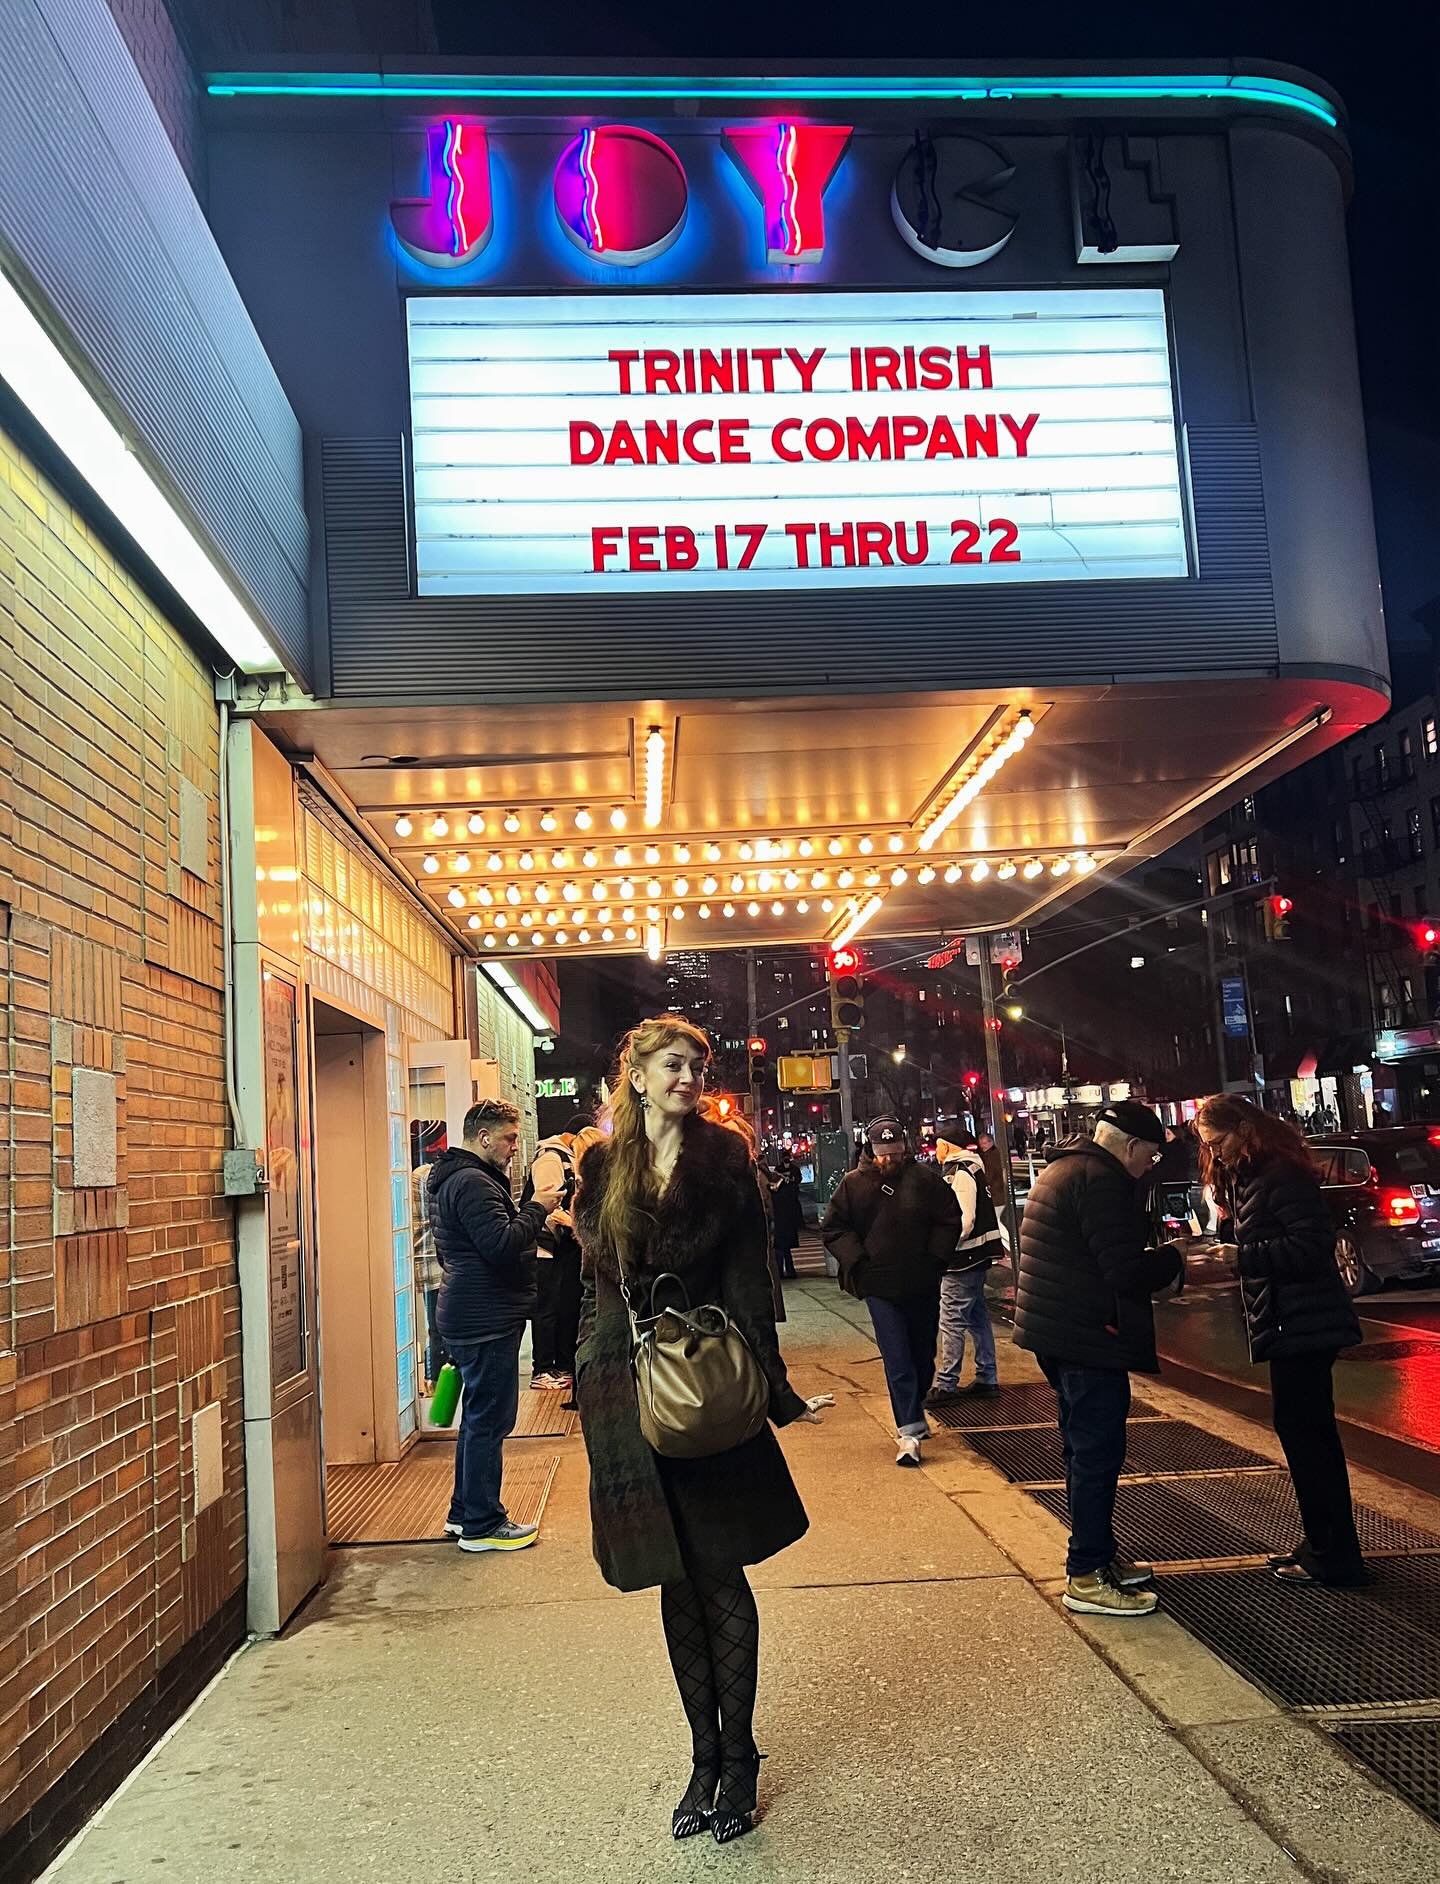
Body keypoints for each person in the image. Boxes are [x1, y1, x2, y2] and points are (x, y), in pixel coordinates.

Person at [573, 1015, 830, 1845]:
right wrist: (588, 1366)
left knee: (719, 1575)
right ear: (637, 1075)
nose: (687, 1076)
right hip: (628, 1392)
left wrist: (773, 1388)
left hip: (709, 1388)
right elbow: (596, 1291)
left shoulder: (724, 1162)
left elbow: (753, 1284)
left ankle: (740, 1761)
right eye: (672, 1064)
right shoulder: (603, 1167)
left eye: (696, 1065)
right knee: (674, 1580)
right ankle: (701, 1758)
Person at [1014, 1100, 1182, 1617]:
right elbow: (1124, 1270)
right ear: (1130, 1147)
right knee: (1096, 1454)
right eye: (1150, 1158)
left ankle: (1097, 1558)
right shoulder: (1102, 1181)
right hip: (1087, 1335)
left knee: (1083, 1451)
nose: (1150, 1167)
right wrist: (1176, 1259)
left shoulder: (1065, 1166)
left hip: (1058, 1330)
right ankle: (1086, 1574)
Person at [1195, 1095, 1368, 1586]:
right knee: (1306, 1439)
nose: (1216, 1154)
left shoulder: (1281, 1175)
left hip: (1303, 1326)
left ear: (1244, 1129)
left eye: (1219, 1142)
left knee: (1309, 1440)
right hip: (1291, 1324)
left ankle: (1332, 1555)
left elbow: (1309, 1246)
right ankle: (1323, 1545)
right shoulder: (1255, 1175)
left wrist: (1241, 1257)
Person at [429, 1099, 563, 1553]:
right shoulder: (473, 1183)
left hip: (472, 1310)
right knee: (490, 1420)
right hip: (485, 1315)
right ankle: (484, 1524)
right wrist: (539, 1208)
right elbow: (501, 1244)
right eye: (508, 1138)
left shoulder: (458, 1178)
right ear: (483, 1137)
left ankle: (465, 1513)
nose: (513, 1148)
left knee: (478, 1419)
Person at [822, 1116, 961, 1466]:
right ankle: (909, 1430)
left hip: (921, 1280)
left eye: (895, 1152)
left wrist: (935, 1260)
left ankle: (915, 1410)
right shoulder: (853, 1185)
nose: (889, 1160)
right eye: (884, 1153)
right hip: (879, 1285)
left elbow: (949, 1219)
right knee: (897, 1357)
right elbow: (835, 1228)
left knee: (921, 1353)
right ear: (871, 1149)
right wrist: (859, 1263)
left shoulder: (926, 1180)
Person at [927, 1136, 1003, 1403]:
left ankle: (947, 1383)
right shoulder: (972, 1168)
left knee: (951, 1320)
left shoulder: (959, 1172)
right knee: (977, 1318)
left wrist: (944, 1246)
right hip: (975, 1256)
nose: (935, 1151)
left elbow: (964, 1219)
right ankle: (987, 1376)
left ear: (947, 1146)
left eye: (938, 1145)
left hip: (962, 1259)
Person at [524, 1113, 591, 1393]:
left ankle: (555, 1366)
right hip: (544, 1247)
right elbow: (546, 1201)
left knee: (557, 1306)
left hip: (555, 1247)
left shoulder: (560, 1156)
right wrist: (567, 1220)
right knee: (546, 1308)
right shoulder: (551, 1158)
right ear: (574, 1138)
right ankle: (542, 1369)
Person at [769, 1156, 804, 1280]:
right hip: (786, 1222)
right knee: (785, 1248)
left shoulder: (776, 1195)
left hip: (780, 1222)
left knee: (781, 1248)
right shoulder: (789, 1195)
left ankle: (782, 1271)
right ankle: (789, 1271)